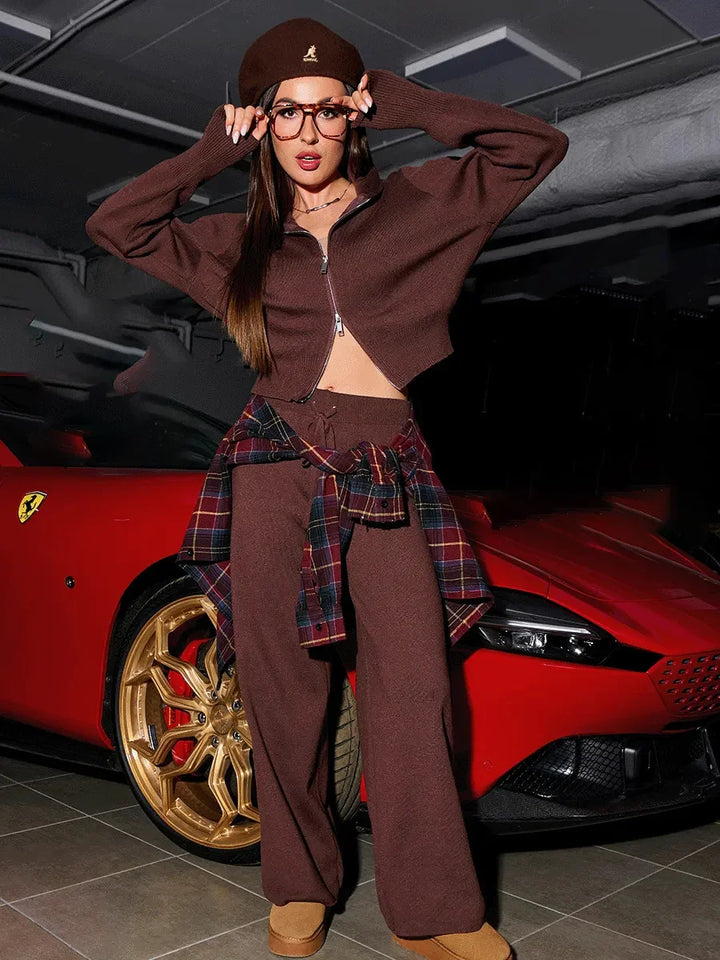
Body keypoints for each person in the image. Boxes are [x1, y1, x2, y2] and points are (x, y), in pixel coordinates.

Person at [86, 17, 569, 960]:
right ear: (260, 126)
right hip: (271, 468)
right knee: (282, 690)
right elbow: (118, 225)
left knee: (415, 689)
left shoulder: (428, 204)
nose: (307, 134)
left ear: (354, 118)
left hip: (388, 470)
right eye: (284, 116)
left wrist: (409, 99)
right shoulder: (239, 242)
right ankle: (299, 885)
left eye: (326, 112)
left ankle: (435, 908)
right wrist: (207, 153)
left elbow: (534, 145)